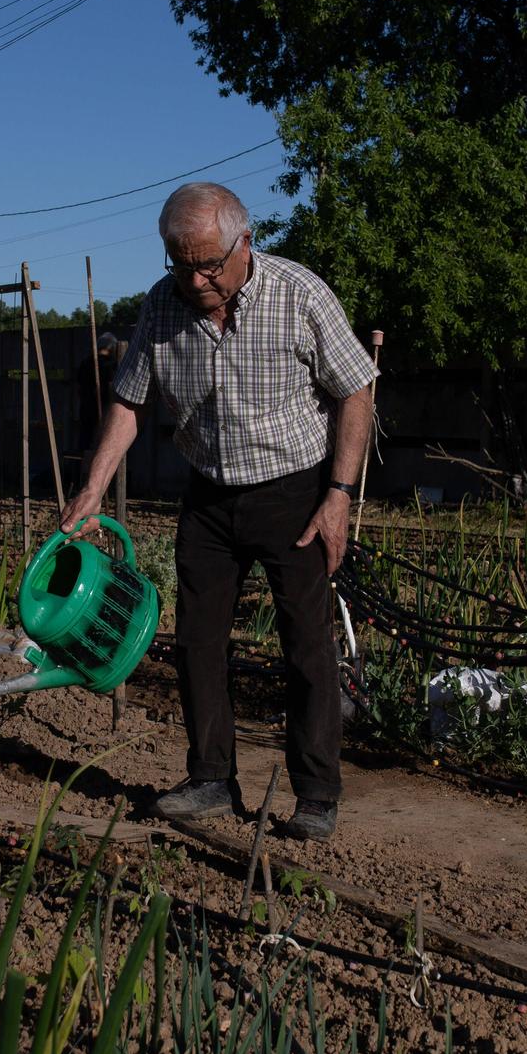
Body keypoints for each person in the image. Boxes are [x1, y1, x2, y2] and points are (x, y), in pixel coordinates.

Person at [58, 182, 375, 841]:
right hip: (207, 494)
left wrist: (339, 496)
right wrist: (91, 488)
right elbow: (128, 403)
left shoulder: (300, 295)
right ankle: (210, 779)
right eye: (181, 265)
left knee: (306, 645)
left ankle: (316, 791)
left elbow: (355, 390)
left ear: (244, 243)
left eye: (209, 265)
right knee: (197, 641)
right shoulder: (160, 307)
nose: (197, 280)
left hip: (295, 493)